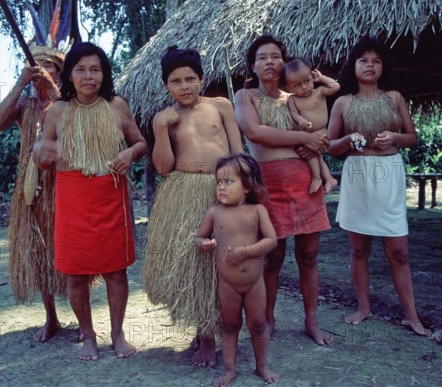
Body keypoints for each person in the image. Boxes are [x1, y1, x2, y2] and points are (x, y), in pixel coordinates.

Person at [33, 42, 148, 359]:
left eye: (95, 69)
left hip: (110, 195)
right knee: (76, 273)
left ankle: (117, 334)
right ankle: (87, 336)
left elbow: (141, 143)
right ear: (69, 75)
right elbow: (42, 158)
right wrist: (44, 153)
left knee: (115, 271)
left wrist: (129, 152)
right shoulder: (57, 111)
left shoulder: (116, 105)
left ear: (104, 74)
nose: (88, 76)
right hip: (72, 199)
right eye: (81, 70)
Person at [143, 47, 244, 366]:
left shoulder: (221, 106)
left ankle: (212, 336)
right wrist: (160, 128)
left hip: (221, 189)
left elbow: (238, 151)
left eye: (190, 79)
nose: (184, 86)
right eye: (176, 81)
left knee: (218, 264)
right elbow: (162, 167)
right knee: (196, 263)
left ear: (201, 79)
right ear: (165, 86)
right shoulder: (165, 118)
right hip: (183, 191)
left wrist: (240, 192)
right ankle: (203, 333)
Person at [234, 34, 333, 345]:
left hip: (305, 180)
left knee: (309, 256)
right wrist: (305, 139)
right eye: (262, 57)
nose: (270, 62)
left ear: (284, 62)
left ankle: (312, 323)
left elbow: (322, 128)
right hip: (268, 184)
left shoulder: (296, 97)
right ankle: (267, 319)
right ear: (252, 65)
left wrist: (321, 138)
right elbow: (255, 132)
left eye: (275, 56)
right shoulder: (246, 96)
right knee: (272, 256)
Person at [326, 36, 428, 336]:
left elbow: (412, 137)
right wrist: (346, 140)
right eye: (363, 60)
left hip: (388, 172)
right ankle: (363, 306)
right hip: (357, 172)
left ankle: (411, 315)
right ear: (353, 66)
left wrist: (394, 138)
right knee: (358, 248)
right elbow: (330, 146)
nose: (370, 65)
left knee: (399, 251)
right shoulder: (343, 102)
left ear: (383, 67)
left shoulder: (394, 98)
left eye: (376, 61)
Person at [0, 38, 67, 343]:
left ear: (59, 72)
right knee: (37, 251)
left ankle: (82, 316)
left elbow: (77, 122)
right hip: (31, 188)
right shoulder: (24, 105)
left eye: (49, 66)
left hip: (64, 184)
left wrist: (52, 89)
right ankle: (51, 317)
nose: (42, 71)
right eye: (37, 66)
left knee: (69, 247)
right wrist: (21, 84)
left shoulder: (66, 104)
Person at [195, 154, 278, 386]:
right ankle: (229, 369)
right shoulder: (214, 213)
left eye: (228, 182)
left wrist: (246, 252)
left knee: (258, 324)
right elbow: (199, 237)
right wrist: (204, 244)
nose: (221, 187)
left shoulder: (257, 211)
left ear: (248, 185)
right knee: (230, 325)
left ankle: (261, 366)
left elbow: (272, 240)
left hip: (254, 283)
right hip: (227, 284)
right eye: (218, 182)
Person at [283, 58, 340, 194]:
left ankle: (317, 177)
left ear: (312, 78)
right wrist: (301, 120)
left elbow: (335, 87)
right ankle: (329, 179)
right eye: (297, 85)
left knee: (314, 155)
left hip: (322, 132)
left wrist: (322, 78)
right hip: (308, 134)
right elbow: (294, 113)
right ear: (289, 88)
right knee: (315, 156)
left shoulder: (319, 92)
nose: (304, 87)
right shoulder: (292, 99)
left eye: (307, 81)